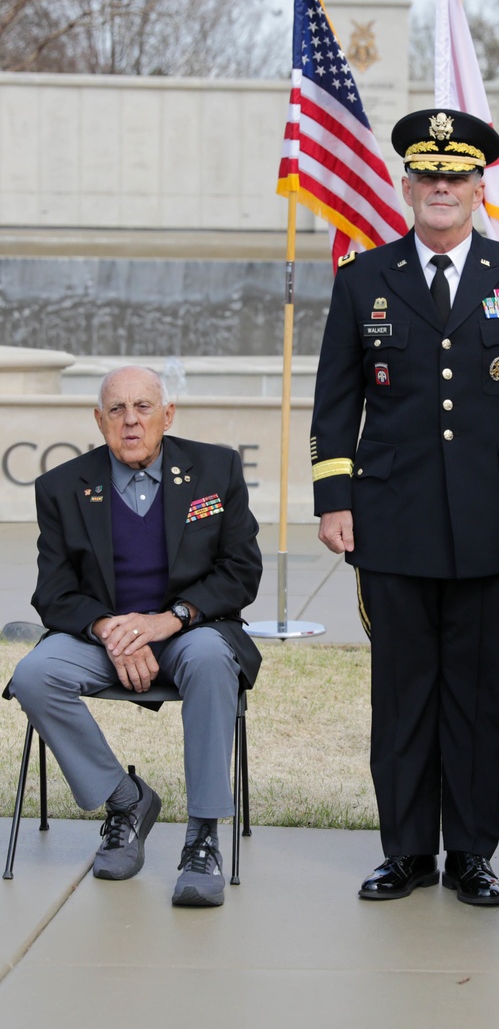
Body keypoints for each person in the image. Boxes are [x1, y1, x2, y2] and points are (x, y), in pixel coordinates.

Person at [311, 108, 499, 906]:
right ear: (406, 185)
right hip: (389, 518)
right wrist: (334, 496)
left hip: (496, 521)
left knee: (476, 694)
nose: (441, 187)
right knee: (402, 693)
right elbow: (337, 397)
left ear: (477, 187)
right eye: (428, 175)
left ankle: (470, 852)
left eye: (456, 176)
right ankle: (404, 852)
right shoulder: (365, 278)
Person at [7, 366, 262, 907]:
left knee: (214, 661)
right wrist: (109, 630)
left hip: (191, 631)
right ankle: (125, 801)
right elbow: (53, 593)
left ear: (167, 416)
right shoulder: (62, 487)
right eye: (117, 410)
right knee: (33, 674)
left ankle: (201, 838)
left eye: (143, 407)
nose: (130, 422)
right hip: (106, 638)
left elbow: (241, 572)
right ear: (99, 421)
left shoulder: (216, 469)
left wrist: (167, 621)